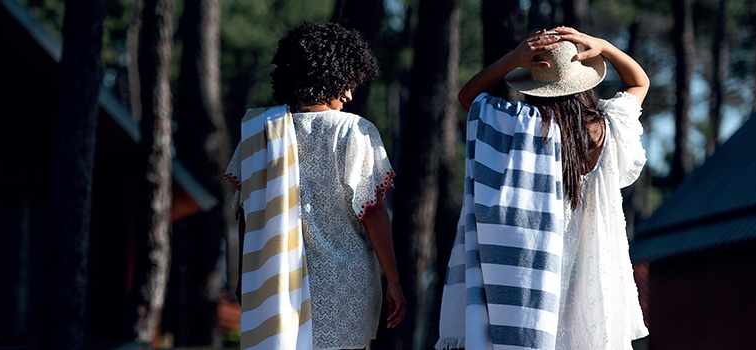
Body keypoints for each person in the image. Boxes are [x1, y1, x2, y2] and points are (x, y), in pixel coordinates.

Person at [437, 27, 649, 349]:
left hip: (534, 269)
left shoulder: (518, 126)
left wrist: (513, 59)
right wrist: (604, 45)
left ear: (532, 85)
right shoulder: (606, 126)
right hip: (589, 267)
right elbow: (639, 83)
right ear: (584, 81)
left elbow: (469, 96)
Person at [224, 21, 405, 350]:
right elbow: (373, 211)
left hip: (276, 288)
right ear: (327, 77)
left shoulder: (259, 133)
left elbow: (248, 214)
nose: (349, 95)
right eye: (346, 84)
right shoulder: (354, 131)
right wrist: (393, 280)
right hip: (346, 287)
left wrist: (244, 276)